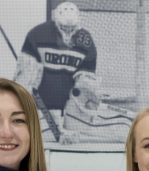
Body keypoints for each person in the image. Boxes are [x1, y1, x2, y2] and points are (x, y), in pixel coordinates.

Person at [14, 1, 100, 137]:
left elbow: (87, 74)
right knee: (32, 136)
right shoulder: (37, 34)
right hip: (41, 101)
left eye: (71, 28)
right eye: (64, 27)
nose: (68, 31)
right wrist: (26, 87)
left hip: (68, 102)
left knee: (76, 138)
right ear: (56, 22)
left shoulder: (85, 40)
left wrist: (83, 93)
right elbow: (26, 70)